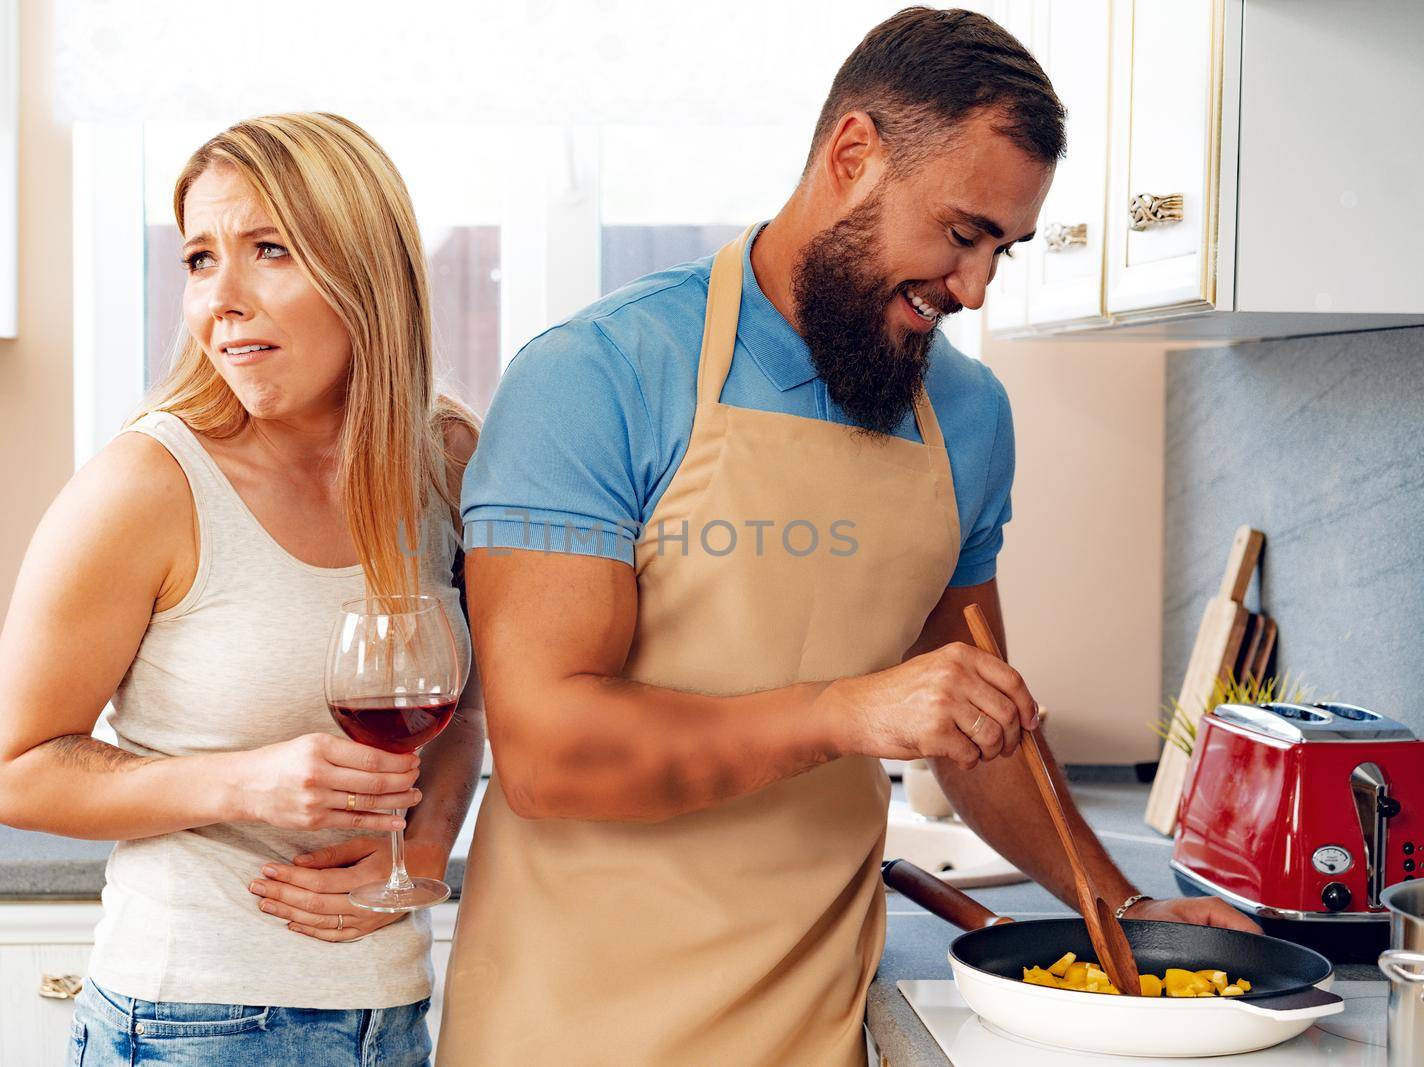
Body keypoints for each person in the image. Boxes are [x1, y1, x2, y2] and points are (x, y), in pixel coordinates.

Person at [436, 9, 1258, 1065]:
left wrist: (1125, 906)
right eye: (961, 233)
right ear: (853, 155)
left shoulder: (965, 416)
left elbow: (978, 724)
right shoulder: (596, 374)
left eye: (1002, 249)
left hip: (813, 1024)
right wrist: (842, 711)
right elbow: (549, 751)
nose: (973, 288)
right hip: (572, 1022)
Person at [0, 112, 483, 1066]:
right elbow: (15, 770)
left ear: (365, 271)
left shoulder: (446, 461)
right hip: (191, 1021)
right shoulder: (146, 484)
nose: (223, 299)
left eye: (269, 250)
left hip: (390, 1011)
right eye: (200, 259)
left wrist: (417, 861)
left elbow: (460, 713)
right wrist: (245, 779)